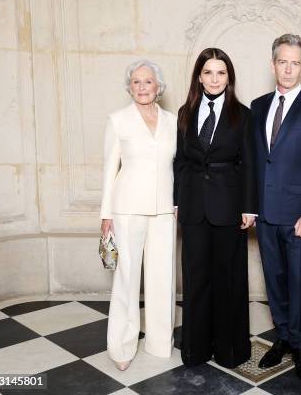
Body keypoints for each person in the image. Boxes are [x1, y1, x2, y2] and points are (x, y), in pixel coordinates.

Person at [251, 33, 301, 381]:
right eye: (282, 61)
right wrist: (251, 207)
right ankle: (282, 337)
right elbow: (255, 163)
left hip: (300, 218)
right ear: (273, 65)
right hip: (266, 215)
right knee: (275, 281)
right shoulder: (257, 106)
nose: (288, 68)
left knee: (300, 283)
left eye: (294, 62)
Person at [174, 48, 257, 368]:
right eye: (208, 72)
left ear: (229, 77)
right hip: (193, 207)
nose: (214, 79)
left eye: (221, 73)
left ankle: (230, 350)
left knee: (229, 280)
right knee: (196, 279)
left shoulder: (243, 114)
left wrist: (250, 208)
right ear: (199, 76)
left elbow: (249, 165)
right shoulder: (185, 112)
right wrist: (178, 199)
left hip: (230, 208)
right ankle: (195, 349)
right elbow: (180, 161)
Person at [100, 60, 177, 371]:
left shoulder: (173, 121)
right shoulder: (117, 120)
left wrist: (179, 202)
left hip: (164, 210)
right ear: (129, 86)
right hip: (126, 209)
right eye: (136, 82)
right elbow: (108, 171)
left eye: (148, 82)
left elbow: (178, 167)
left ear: (158, 86)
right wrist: (105, 215)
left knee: (163, 278)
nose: (142, 87)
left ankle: (160, 343)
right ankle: (121, 346)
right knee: (126, 279)